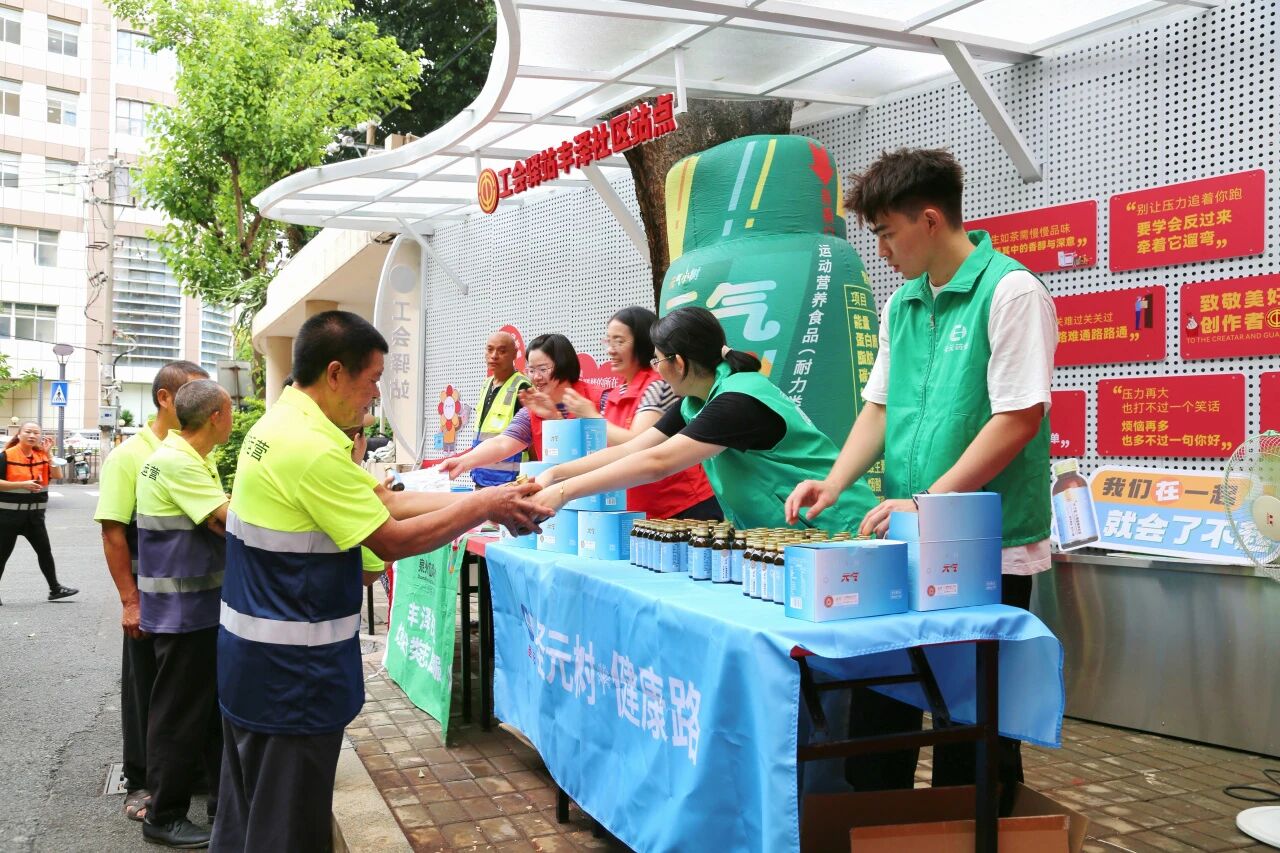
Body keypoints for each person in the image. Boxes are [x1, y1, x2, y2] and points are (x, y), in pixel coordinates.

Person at [210, 310, 550, 852]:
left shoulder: (281, 426)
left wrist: (478, 499)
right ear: (335, 373)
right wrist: (486, 504)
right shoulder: (310, 448)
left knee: (247, 817)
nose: (375, 396)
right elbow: (390, 539)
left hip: (254, 664)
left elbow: (382, 502)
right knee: (285, 831)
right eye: (372, 380)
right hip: (291, 678)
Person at [784, 147, 1056, 806]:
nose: (880, 249)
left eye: (886, 232)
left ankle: (982, 831)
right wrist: (834, 480)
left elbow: (1018, 417)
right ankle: (877, 828)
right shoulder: (902, 304)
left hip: (985, 546)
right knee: (882, 705)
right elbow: (880, 406)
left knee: (974, 722)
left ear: (930, 220)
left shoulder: (1011, 291)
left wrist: (928, 500)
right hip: (906, 539)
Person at [532, 307, 877, 533]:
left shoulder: (737, 401)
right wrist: (555, 474)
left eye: (657, 361)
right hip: (793, 533)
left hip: (837, 526)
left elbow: (657, 462)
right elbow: (634, 449)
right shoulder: (695, 401)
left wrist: (564, 492)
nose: (656, 370)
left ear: (679, 363)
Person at [95, 360, 210, 822]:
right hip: (149, 595)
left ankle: (183, 775)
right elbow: (113, 532)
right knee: (146, 689)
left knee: (181, 692)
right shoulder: (130, 456)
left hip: (188, 600)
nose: (202, 403)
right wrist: (130, 600)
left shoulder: (194, 448)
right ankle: (141, 782)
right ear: (165, 398)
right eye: (192, 394)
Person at [135, 380, 234, 848]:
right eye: (230, 411)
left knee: (207, 709)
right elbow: (228, 520)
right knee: (178, 713)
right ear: (215, 417)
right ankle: (164, 814)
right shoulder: (178, 462)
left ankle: (221, 802)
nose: (232, 419)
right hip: (182, 609)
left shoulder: (194, 458)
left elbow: (217, 522)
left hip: (198, 607)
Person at [552, 307, 720, 520]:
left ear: (642, 343)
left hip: (681, 507)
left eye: (619, 341)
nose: (611, 350)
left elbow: (636, 445)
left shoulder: (659, 385)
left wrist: (591, 416)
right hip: (643, 509)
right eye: (608, 341)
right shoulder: (616, 392)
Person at [439, 333, 602, 479]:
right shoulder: (532, 411)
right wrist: (462, 462)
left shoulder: (599, 399)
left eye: (543, 369)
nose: (536, 377)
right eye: (531, 370)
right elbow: (501, 443)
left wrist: (558, 419)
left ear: (564, 364)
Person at [0, 422, 77, 603]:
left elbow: (57, 476)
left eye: (36, 433)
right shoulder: (6, 456)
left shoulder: (41, 456)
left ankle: (55, 589)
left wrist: (49, 453)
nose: (32, 435)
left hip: (34, 518)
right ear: (19, 434)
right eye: (28, 432)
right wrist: (22, 484)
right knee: (2, 556)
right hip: (8, 517)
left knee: (45, 552)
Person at [469, 331, 531, 486]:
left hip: (509, 484)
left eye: (502, 351)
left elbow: (533, 441)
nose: (494, 356)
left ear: (515, 354)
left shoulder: (522, 387)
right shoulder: (486, 385)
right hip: (481, 478)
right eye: (490, 349)